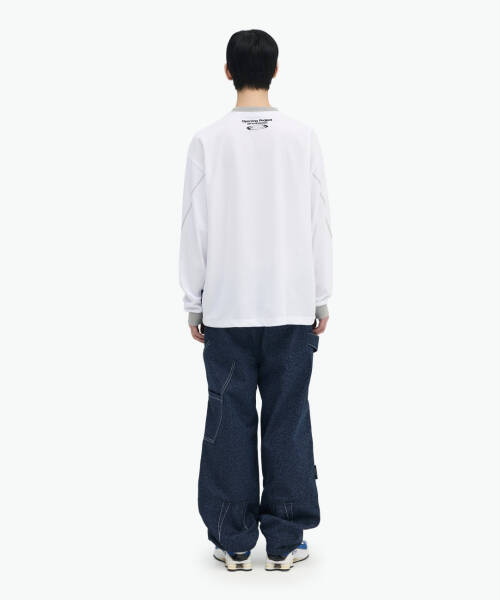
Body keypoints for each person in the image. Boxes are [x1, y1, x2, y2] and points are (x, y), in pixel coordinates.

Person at [179, 29, 332, 572]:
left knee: (229, 418)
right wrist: (320, 296)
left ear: (227, 71)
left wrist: (193, 301)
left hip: (227, 306)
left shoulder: (207, 141)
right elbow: (318, 221)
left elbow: (194, 226)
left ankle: (234, 538)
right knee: (288, 418)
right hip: (291, 303)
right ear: (275, 70)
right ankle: (286, 540)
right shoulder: (302, 137)